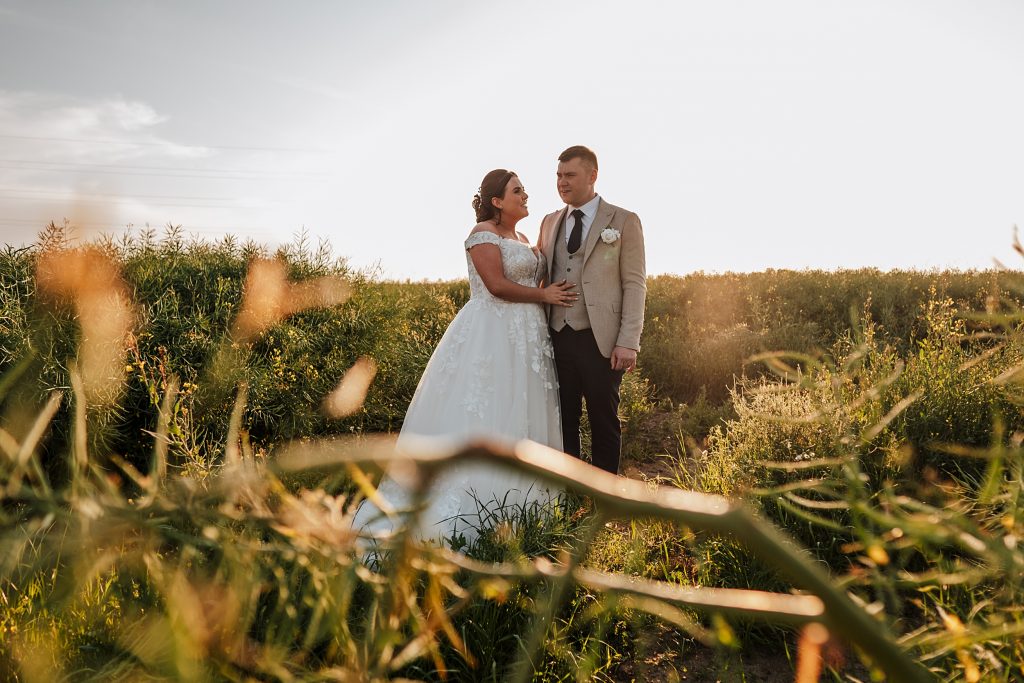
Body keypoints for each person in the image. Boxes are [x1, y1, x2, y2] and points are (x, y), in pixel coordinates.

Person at [354, 169, 576, 544]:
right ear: (496, 201)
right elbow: (497, 285)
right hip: (491, 333)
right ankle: (466, 502)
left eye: (524, 190)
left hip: (528, 336)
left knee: (521, 407)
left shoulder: (523, 237)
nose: (525, 196)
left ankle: (526, 504)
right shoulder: (481, 236)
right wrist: (545, 296)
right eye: (517, 191)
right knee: (485, 409)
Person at [537, 146, 647, 475]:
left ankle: (604, 503)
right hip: (556, 336)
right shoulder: (549, 221)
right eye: (558, 175)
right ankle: (570, 496)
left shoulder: (623, 220)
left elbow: (635, 283)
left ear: (593, 176)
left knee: (603, 421)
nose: (562, 182)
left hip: (602, 339)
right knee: (563, 421)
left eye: (570, 175)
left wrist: (628, 341)